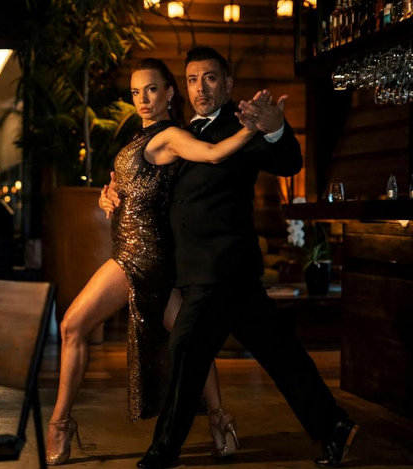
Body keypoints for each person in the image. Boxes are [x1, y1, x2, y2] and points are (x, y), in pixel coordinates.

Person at [103, 46, 359, 469]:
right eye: (192, 79)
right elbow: (151, 191)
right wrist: (112, 194)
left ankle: (163, 451)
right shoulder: (181, 133)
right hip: (210, 274)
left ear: (227, 84)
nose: (200, 88)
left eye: (209, 78)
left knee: (185, 349)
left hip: (219, 269)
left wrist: (275, 128)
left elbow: (288, 161)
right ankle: (334, 426)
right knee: (281, 354)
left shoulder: (242, 126)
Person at [45, 58, 263, 466]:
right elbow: (130, 185)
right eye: (135, 91)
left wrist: (252, 128)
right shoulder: (138, 136)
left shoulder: (171, 136)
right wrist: (108, 195)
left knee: (72, 325)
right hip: (140, 253)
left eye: (151, 89)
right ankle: (220, 420)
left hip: (141, 256)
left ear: (169, 93)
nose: (142, 99)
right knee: (190, 341)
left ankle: (60, 423)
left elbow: (214, 153)